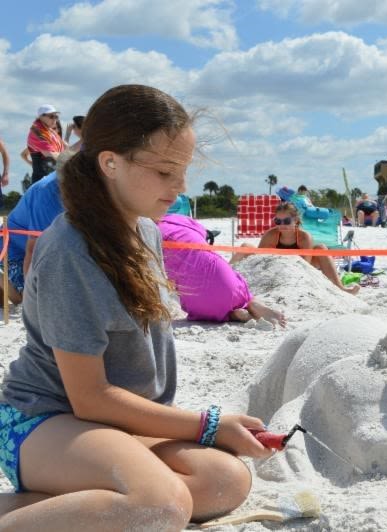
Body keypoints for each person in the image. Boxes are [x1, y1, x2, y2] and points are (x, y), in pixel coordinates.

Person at [0, 85, 274, 530]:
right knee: (159, 506)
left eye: (183, 170)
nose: (181, 187)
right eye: (166, 171)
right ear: (110, 162)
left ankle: (51, 506)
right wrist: (207, 425)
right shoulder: (70, 250)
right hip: (44, 418)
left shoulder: (145, 231)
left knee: (224, 481)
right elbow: (89, 397)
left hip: (113, 423)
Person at [158, 213, 286, 325]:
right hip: (225, 279)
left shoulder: (149, 232)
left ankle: (232, 315)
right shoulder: (179, 220)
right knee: (238, 289)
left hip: (197, 303)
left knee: (196, 302)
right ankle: (251, 303)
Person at [0, 155, 69, 305]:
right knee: (26, 299)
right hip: (12, 250)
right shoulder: (46, 194)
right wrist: (31, 296)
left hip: (48, 250)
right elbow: (32, 250)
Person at [258, 202, 360, 295]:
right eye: (278, 221)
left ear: (296, 220)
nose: (282, 225)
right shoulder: (270, 235)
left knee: (321, 248)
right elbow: (256, 260)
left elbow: (305, 265)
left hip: (301, 268)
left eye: (287, 221)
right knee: (246, 247)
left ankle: (340, 288)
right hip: (276, 268)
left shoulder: (304, 237)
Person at [27, 105, 66, 184]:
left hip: (53, 177)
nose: (55, 119)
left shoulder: (49, 131)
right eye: (51, 116)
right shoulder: (37, 131)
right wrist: (72, 160)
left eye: (56, 116)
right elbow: (50, 154)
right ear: (41, 117)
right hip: (43, 181)